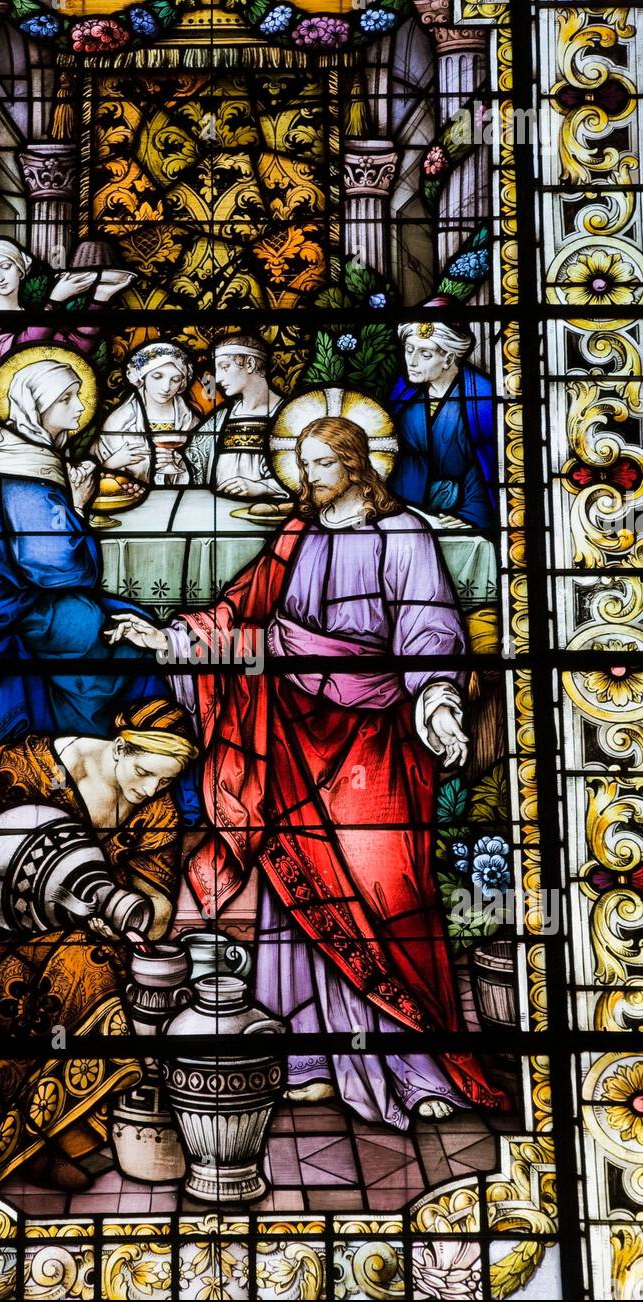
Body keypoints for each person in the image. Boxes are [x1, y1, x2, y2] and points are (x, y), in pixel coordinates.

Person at [106, 413, 511, 1130]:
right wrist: (166, 636)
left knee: (384, 893)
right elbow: (241, 612)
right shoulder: (297, 535)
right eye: (300, 462)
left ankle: (408, 1063)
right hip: (292, 739)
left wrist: (439, 701)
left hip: (374, 746)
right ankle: (311, 1059)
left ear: (357, 465)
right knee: (297, 899)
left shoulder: (403, 537)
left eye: (320, 464)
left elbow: (431, 631)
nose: (306, 477)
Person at [0, 699, 198, 1191]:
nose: (150, 789)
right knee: (86, 968)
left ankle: (47, 1132)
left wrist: (132, 914)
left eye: (164, 781)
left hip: (76, 933)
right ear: (121, 748)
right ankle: (48, 1134)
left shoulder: (157, 809)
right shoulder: (53, 764)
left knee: (92, 961)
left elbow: (157, 902)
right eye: (146, 772)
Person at [0, 347, 169, 745]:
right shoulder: (22, 469)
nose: (78, 407)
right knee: (123, 635)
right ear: (35, 406)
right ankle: (87, 747)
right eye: (65, 399)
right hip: (1, 611)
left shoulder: (1, 449)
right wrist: (77, 506)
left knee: (131, 623)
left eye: (77, 395)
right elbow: (58, 567)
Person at [0, 236, 127, 476]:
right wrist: (54, 301)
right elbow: (17, 354)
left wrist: (100, 299)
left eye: (6, 266)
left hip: (37, 415)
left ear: (21, 268)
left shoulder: (39, 318)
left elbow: (73, 348)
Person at [388, 309, 498, 531]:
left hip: (459, 512)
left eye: (425, 354)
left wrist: (472, 514)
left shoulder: (483, 396)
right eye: (409, 350)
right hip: (405, 507)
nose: (412, 361)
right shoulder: (402, 393)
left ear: (448, 358)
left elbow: (488, 460)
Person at [185, 334, 288, 500]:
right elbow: (193, 464)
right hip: (219, 513)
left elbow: (309, 473)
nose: (217, 379)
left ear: (250, 364)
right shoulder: (219, 419)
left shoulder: (289, 414)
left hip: (270, 515)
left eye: (224, 367)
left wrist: (264, 487)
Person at [94, 341, 198, 487]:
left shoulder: (190, 421)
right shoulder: (119, 422)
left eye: (175, 379)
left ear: (182, 383)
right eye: (157, 376)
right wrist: (112, 463)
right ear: (142, 377)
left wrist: (179, 460)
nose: (166, 387)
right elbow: (92, 475)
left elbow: (205, 466)